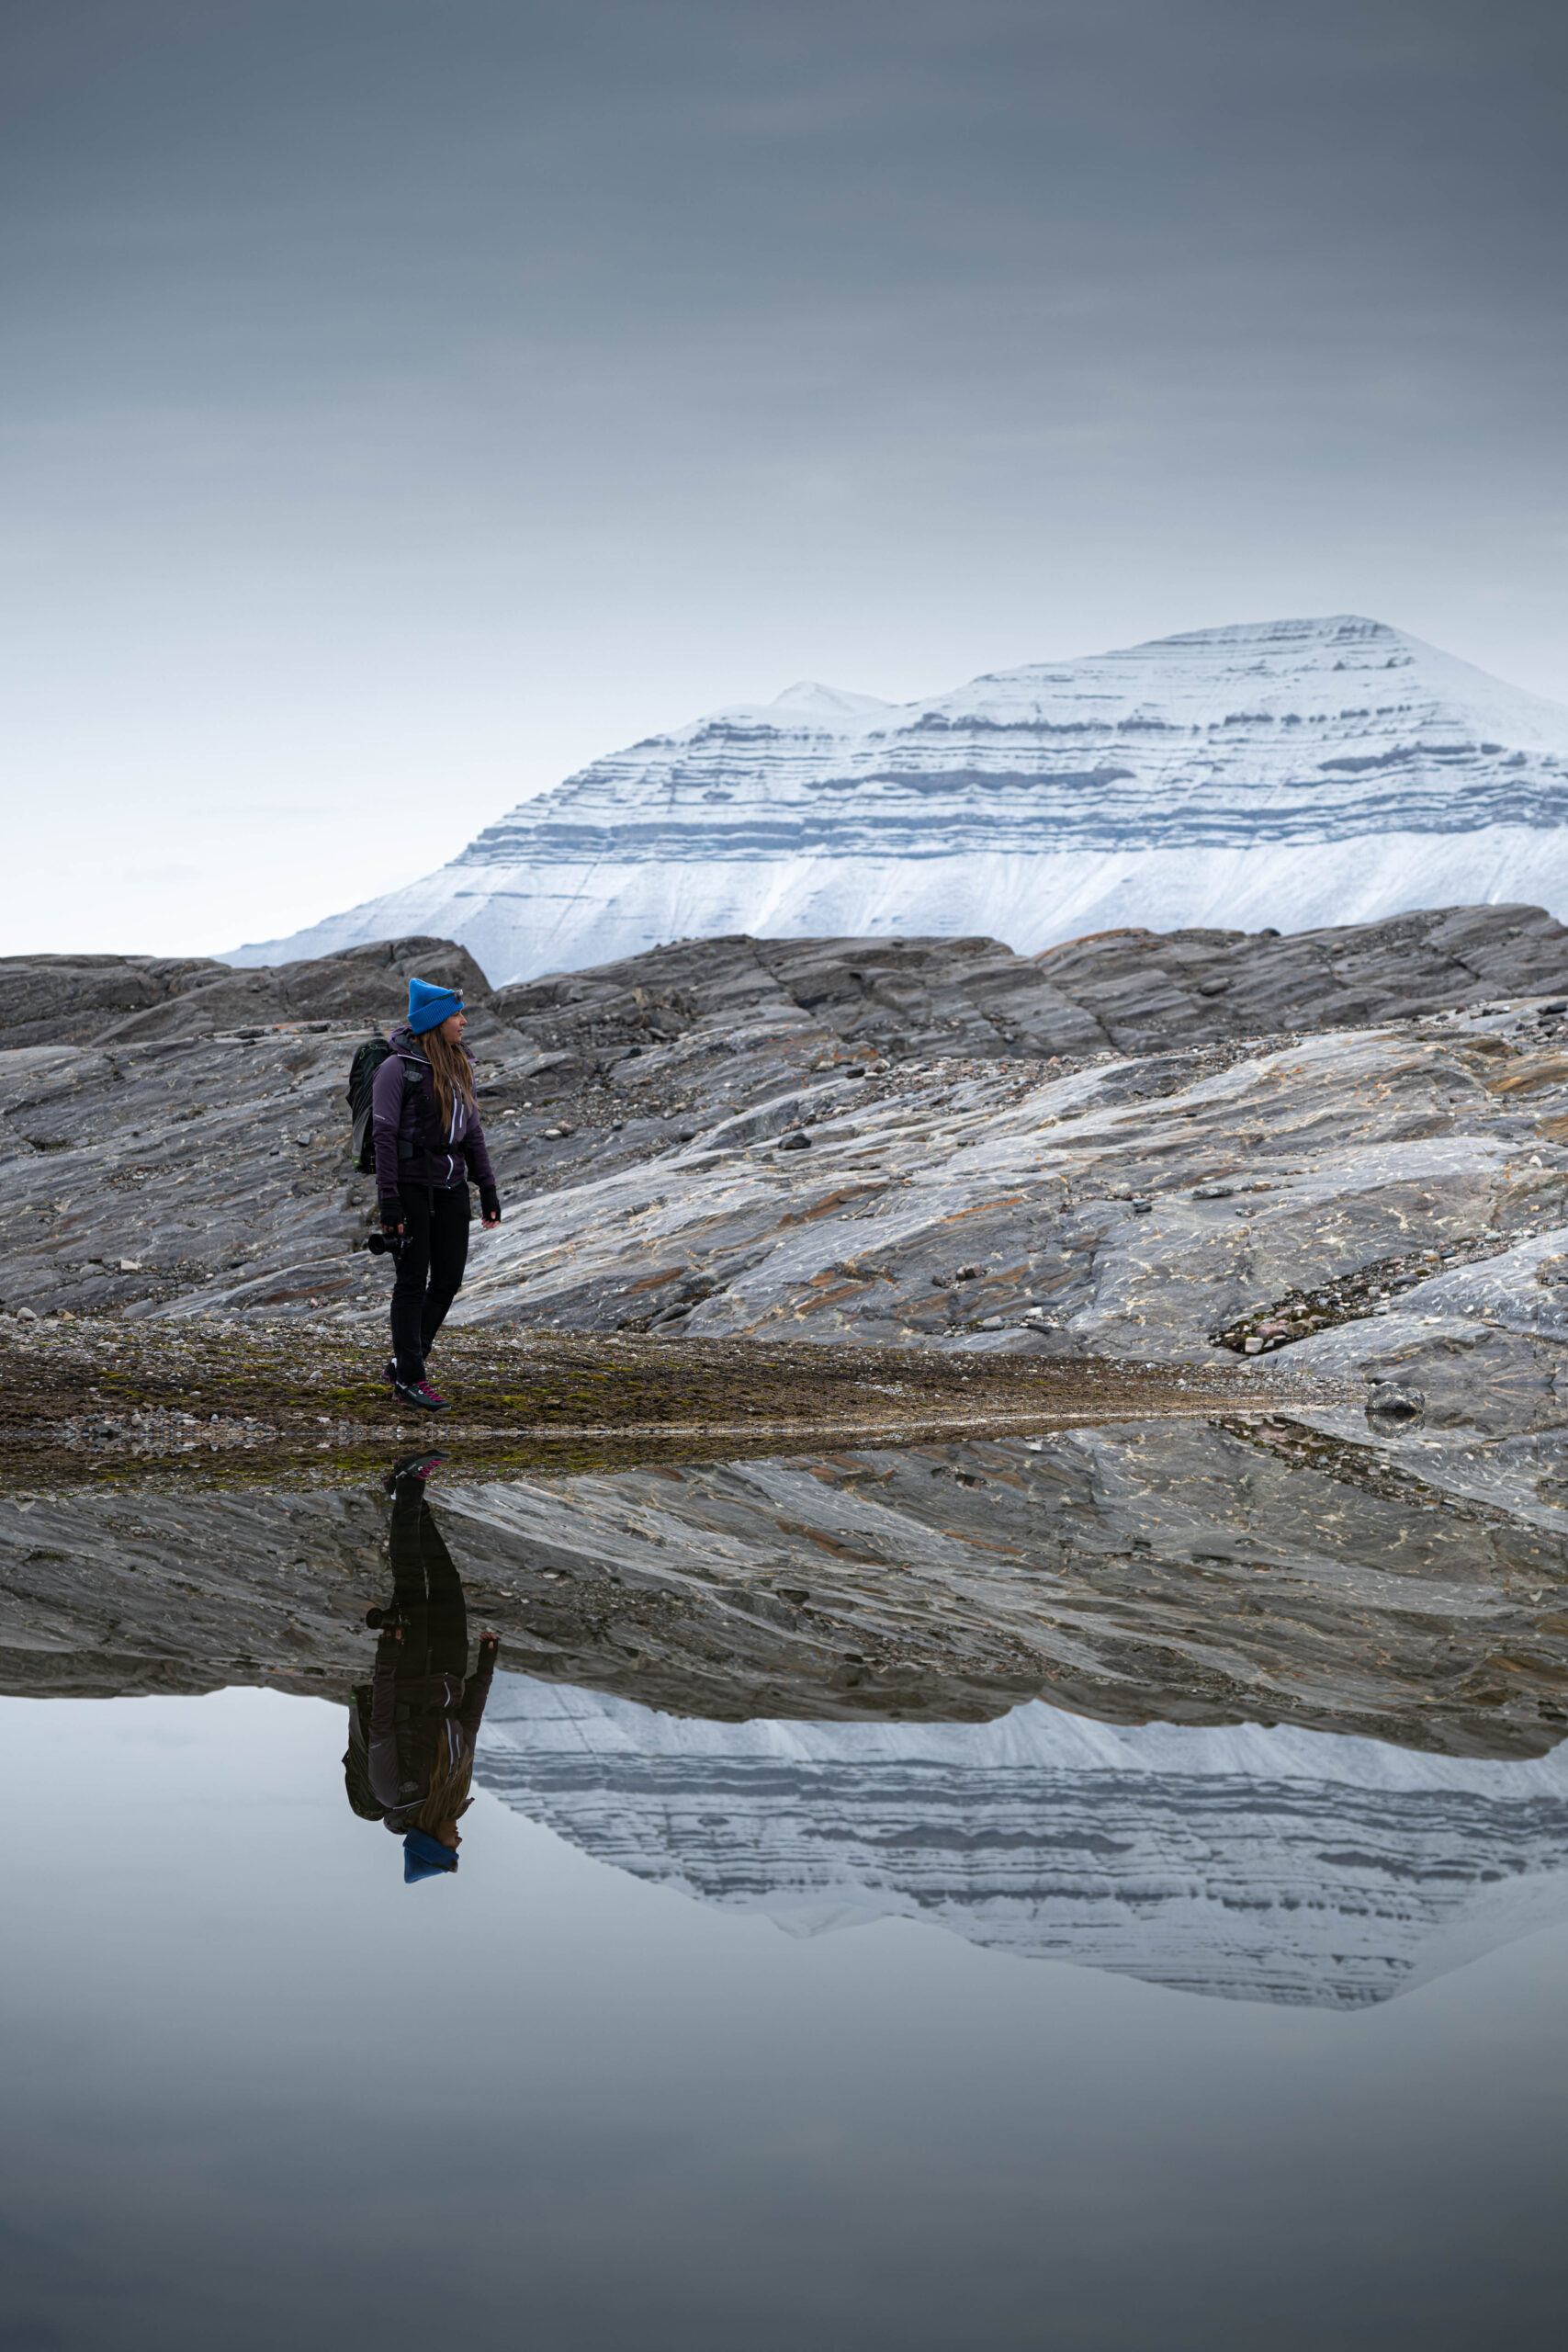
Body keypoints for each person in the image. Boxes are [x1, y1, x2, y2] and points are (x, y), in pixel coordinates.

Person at [342, 1452, 500, 1882]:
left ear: (430, 1840)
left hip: (409, 1669)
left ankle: (410, 1484)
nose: (459, 1841)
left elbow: (382, 1725)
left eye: (451, 1847)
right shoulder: (455, 1795)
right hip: (450, 1670)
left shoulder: (393, 1792)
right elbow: (469, 1725)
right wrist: (486, 1668)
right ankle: (404, 1494)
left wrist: (388, 1659)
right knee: (446, 1578)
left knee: (411, 1578)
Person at [372, 976, 502, 1412]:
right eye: (456, 1015)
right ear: (435, 1022)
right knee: (411, 1282)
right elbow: (384, 1138)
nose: (464, 1022)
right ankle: (411, 1378)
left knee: (447, 1280)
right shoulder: (397, 1069)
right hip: (411, 1189)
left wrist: (487, 1188)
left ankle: (404, 1364)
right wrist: (389, 1202)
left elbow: (473, 1132)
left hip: (451, 1189)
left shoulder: (460, 1065)